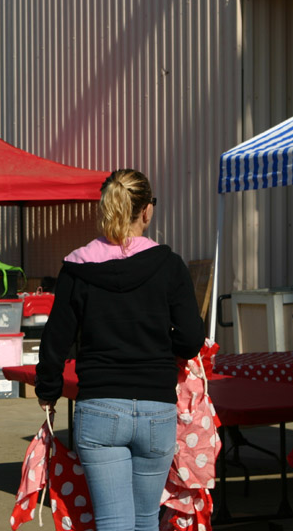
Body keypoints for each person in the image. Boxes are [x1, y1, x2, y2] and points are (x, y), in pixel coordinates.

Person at [35, 169, 205, 531]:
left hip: (100, 407)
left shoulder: (77, 268)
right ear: (146, 210)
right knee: (146, 520)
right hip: (157, 407)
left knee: (113, 522)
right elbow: (192, 339)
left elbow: (56, 338)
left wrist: (48, 390)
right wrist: (162, 345)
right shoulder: (169, 265)